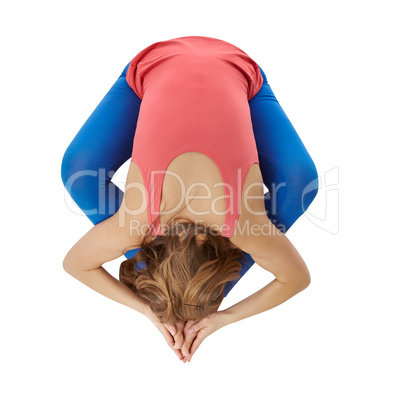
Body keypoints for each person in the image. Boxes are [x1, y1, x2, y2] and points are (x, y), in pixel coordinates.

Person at [61, 35, 319, 363]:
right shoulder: (138, 222)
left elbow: (296, 278)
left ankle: (190, 295)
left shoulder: (242, 226)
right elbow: (74, 265)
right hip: (203, 65)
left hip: (200, 65)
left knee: (303, 184)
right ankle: (184, 293)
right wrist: (149, 307)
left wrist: (218, 316)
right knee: (77, 171)